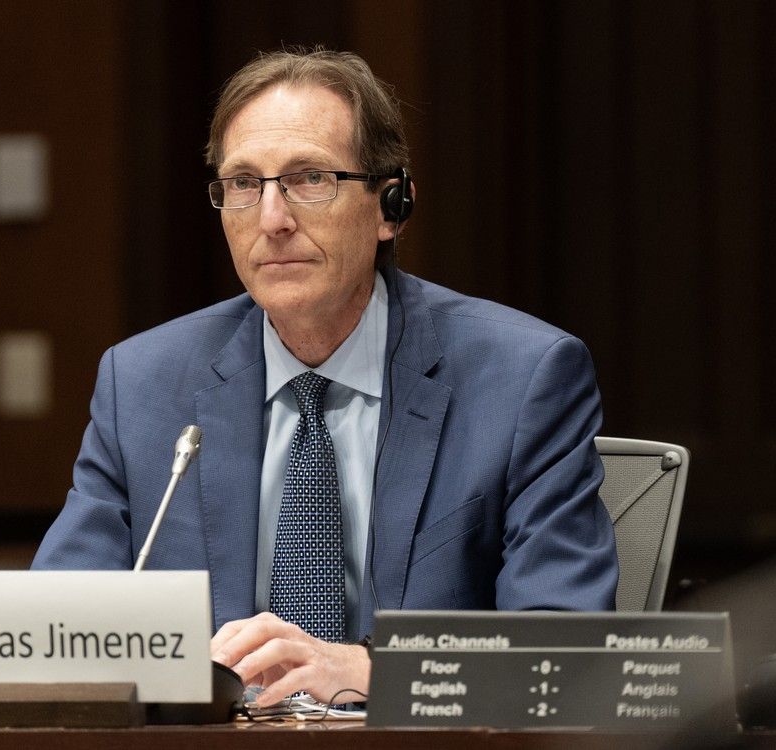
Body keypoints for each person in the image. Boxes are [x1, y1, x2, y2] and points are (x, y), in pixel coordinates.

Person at [32, 47, 618, 707]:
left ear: (390, 206)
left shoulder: (522, 379)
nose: (272, 219)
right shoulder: (142, 384)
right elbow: (55, 638)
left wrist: (368, 673)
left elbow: (568, 654)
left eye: (310, 179)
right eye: (244, 184)